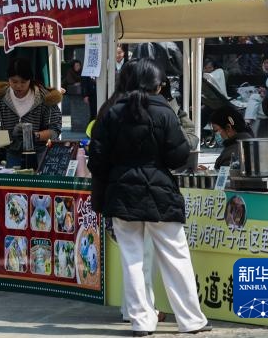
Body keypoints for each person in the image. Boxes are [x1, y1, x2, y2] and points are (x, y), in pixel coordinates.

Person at [88, 59, 209, 336]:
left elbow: (97, 159)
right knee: (176, 256)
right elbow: (178, 157)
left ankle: (141, 322)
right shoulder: (164, 111)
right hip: (161, 193)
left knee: (132, 259)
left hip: (122, 193)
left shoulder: (111, 112)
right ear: (156, 85)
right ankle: (191, 320)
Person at [0, 57, 62, 168]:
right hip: (10, 154)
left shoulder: (46, 98)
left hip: (40, 154)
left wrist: (35, 136)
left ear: (30, 79)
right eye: (14, 81)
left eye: (23, 82)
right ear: (8, 79)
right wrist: (10, 136)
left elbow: (55, 130)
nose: (19, 86)